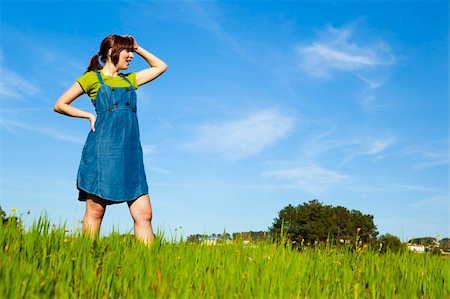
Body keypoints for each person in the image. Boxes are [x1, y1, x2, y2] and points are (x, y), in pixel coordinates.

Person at [54, 34, 168, 244]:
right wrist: (87, 115)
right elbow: (60, 104)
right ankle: (85, 262)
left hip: (131, 154)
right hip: (102, 150)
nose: (131, 56)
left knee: (145, 213)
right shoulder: (91, 79)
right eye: (128, 52)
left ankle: (149, 268)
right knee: (96, 211)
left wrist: (138, 47)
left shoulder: (130, 80)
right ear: (111, 52)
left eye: (132, 53)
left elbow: (160, 66)